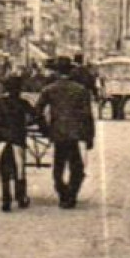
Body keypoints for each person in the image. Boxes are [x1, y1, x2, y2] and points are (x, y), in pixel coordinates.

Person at [36, 57, 95, 208]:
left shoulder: (49, 89)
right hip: (75, 133)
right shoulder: (81, 90)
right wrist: (90, 137)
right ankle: (71, 194)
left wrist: (45, 128)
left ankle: (62, 192)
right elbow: (88, 115)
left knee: (59, 164)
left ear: (56, 71)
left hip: (57, 132)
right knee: (77, 167)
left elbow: (37, 111)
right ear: (71, 70)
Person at [0, 75, 33, 212]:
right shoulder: (23, 103)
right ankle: (20, 196)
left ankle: (6, 200)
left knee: (3, 171)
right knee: (20, 169)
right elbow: (35, 116)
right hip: (17, 140)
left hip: (1, 140)